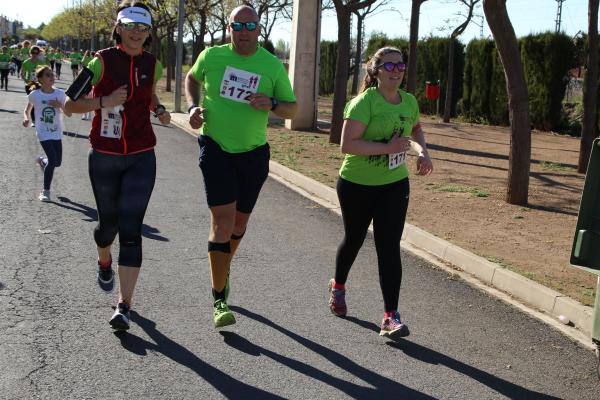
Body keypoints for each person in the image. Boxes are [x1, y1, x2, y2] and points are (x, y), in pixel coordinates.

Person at [185, 5, 297, 328]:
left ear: (259, 30)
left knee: (238, 225)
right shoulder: (212, 56)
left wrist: (272, 103)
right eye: (238, 25)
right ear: (229, 28)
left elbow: (292, 108)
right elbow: (192, 79)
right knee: (222, 222)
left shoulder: (272, 66)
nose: (244, 30)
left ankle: (222, 267)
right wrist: (193, 106)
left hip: (253, 153)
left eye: (250, 25)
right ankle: (219, 298)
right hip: (216, 147)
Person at [64, 0, 170, 331]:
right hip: (106, 156)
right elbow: (69, 104)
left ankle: (123, 305)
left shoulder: (154, 64)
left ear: (148, 33)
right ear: (119, 28)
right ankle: (103, 259)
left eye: (143, 28)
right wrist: (103, 102)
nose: (137, 33)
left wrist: (159, 109)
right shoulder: (101, 62)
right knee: (107, 227)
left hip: (141, 154)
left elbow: (148, 95)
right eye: (131, 26)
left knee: (132, 231)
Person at [327, 46, 434, 339]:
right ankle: (338, 286)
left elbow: (415, 129)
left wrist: (423, 152)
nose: (397, 71)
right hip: (356, 184)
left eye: (401, 66)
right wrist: (387, 148)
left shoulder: (409, 101)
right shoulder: (364, 103)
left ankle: (390, 316)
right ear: (375, 71)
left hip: (394, 184)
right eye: (389, 66)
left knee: (389, 246)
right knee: (355, 239)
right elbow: (347, 145)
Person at [22, 66, 72, 201]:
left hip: (56, 131)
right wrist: (26, 118)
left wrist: (60, 105)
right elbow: (27, 110)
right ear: (40, 79)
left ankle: (43, 162)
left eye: (52, 75)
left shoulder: (60, 94)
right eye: (48, 75)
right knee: (53, 159)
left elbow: (69, 113)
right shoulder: (35, 95)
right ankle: (45, 192)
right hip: (42, 131)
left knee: (57, 162)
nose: (52, 77)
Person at [21, 46, 48, 124]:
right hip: (30, 84)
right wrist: (27, 81)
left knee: (41, 102)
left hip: (40, 84)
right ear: (30, 53)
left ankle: (40, 119)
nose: (34, 54)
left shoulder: (41, 62)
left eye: (36, 53)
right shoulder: (26, 62)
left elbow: (46, 73)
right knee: (33, 102)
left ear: (38, 53)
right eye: (33, 53)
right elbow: (22, 73)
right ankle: (34, 120)